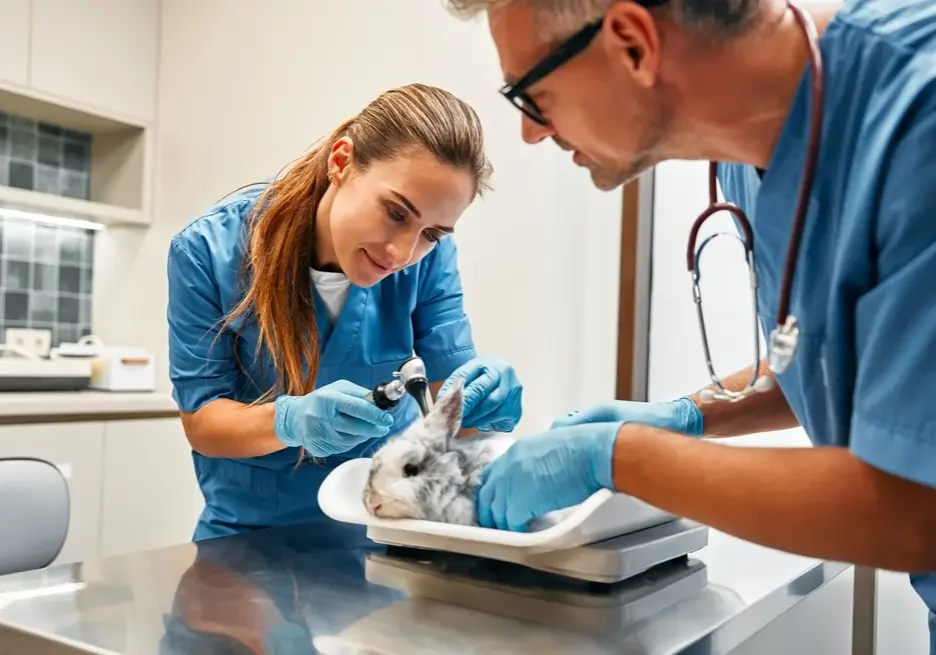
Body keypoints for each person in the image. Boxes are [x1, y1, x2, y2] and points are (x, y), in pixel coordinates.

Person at [443, 0, 936, 647]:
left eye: (532, 97)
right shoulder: (749, 151)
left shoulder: (917, 113)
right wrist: (689, 414)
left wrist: (620, 455)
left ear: (633, 44)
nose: (533, 133)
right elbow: (841, 365)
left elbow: (913, 508)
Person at [166, 83, 523, 541]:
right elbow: (204, 422)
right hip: (250, 531)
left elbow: (454, 407)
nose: (402, 252)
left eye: (432, 233)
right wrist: (287, 421)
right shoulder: (208, 250)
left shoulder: (428, 258)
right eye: (395, 212)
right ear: (341, 162)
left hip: (380, 518)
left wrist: (484, 406)